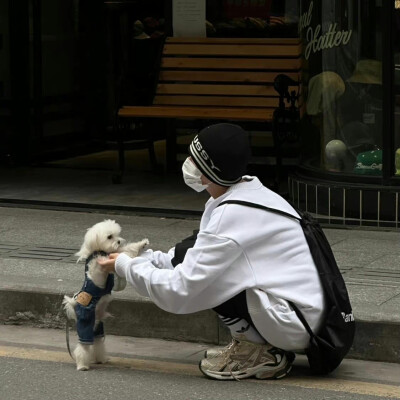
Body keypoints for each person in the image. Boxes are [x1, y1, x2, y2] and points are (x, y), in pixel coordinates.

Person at [99, 123, 326, 381]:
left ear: (209, 169)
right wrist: (141, 258)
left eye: (193, 159)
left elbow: (180, 290)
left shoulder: (232, 214)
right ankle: (255, 344)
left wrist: (126, 267)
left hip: (294, 323)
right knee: (199, 259)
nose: (187, 163)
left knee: (210, 277)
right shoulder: (245, 194)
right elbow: (188, 255)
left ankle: (261, 353)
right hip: (299, 310)